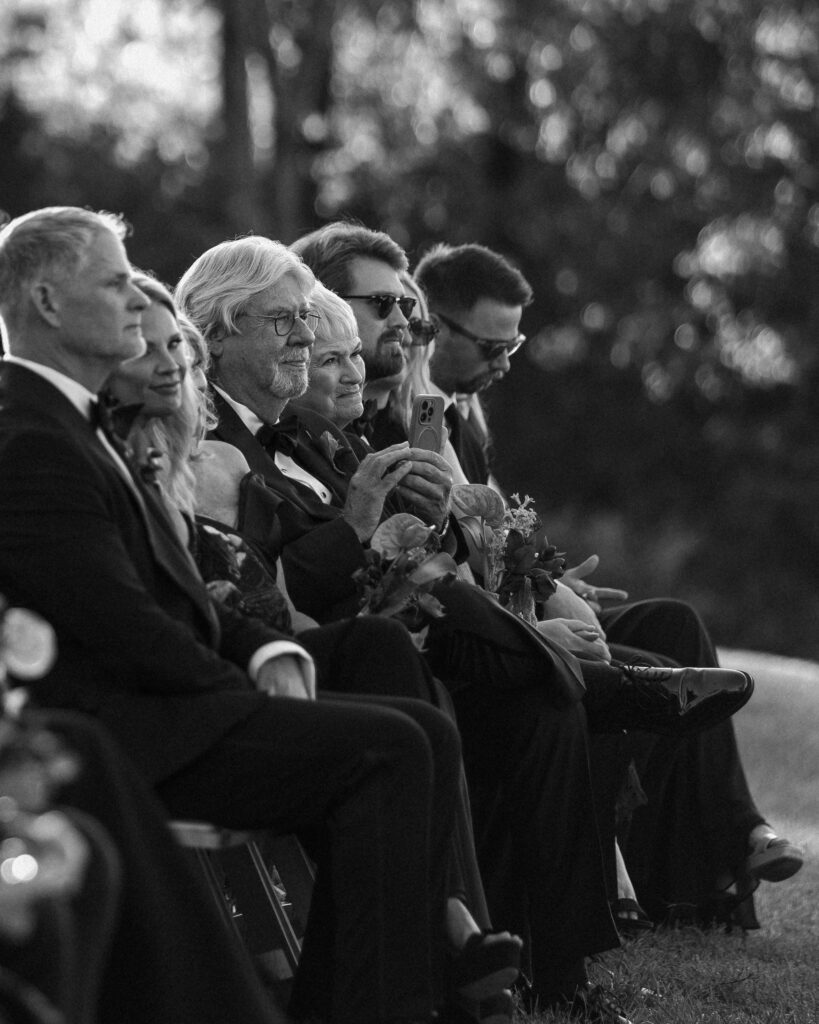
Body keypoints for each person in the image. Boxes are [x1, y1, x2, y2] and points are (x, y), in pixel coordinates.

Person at [0, 205, 466, 1024]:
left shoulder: (77, 422)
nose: (134, 306)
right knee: (387, 747)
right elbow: (117, 623)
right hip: (118, 729)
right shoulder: (31, 436)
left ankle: (396, 988)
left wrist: (260, 652)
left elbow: (171, 587)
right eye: (112, 284)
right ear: (44, 302)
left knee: (415, 729)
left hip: (163, 701)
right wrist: (241, 689)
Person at [103, 268, 520, 1024]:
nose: (171, 362)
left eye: (176, 346)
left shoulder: (231, 445)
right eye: (148, 344)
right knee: (400, 725)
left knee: (400, 683)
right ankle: (427, 955)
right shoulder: (174, 455)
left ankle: (444, 945)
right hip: (154, 715)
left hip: (259, 650)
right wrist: (351, 534)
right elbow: (135, 613)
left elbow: (229, 596)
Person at [412, 240, 804, 926]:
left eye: (514, 346)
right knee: (650, 671)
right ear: (433, 325)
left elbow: (501, 532)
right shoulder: (413, 417)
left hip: (526, 608)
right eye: (488, 347)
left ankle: (701, 873)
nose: (503, 364)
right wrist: (533, 596)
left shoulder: (465, 414)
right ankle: (700, 854)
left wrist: (555, 581)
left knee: (673, 624)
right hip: (489, 632)